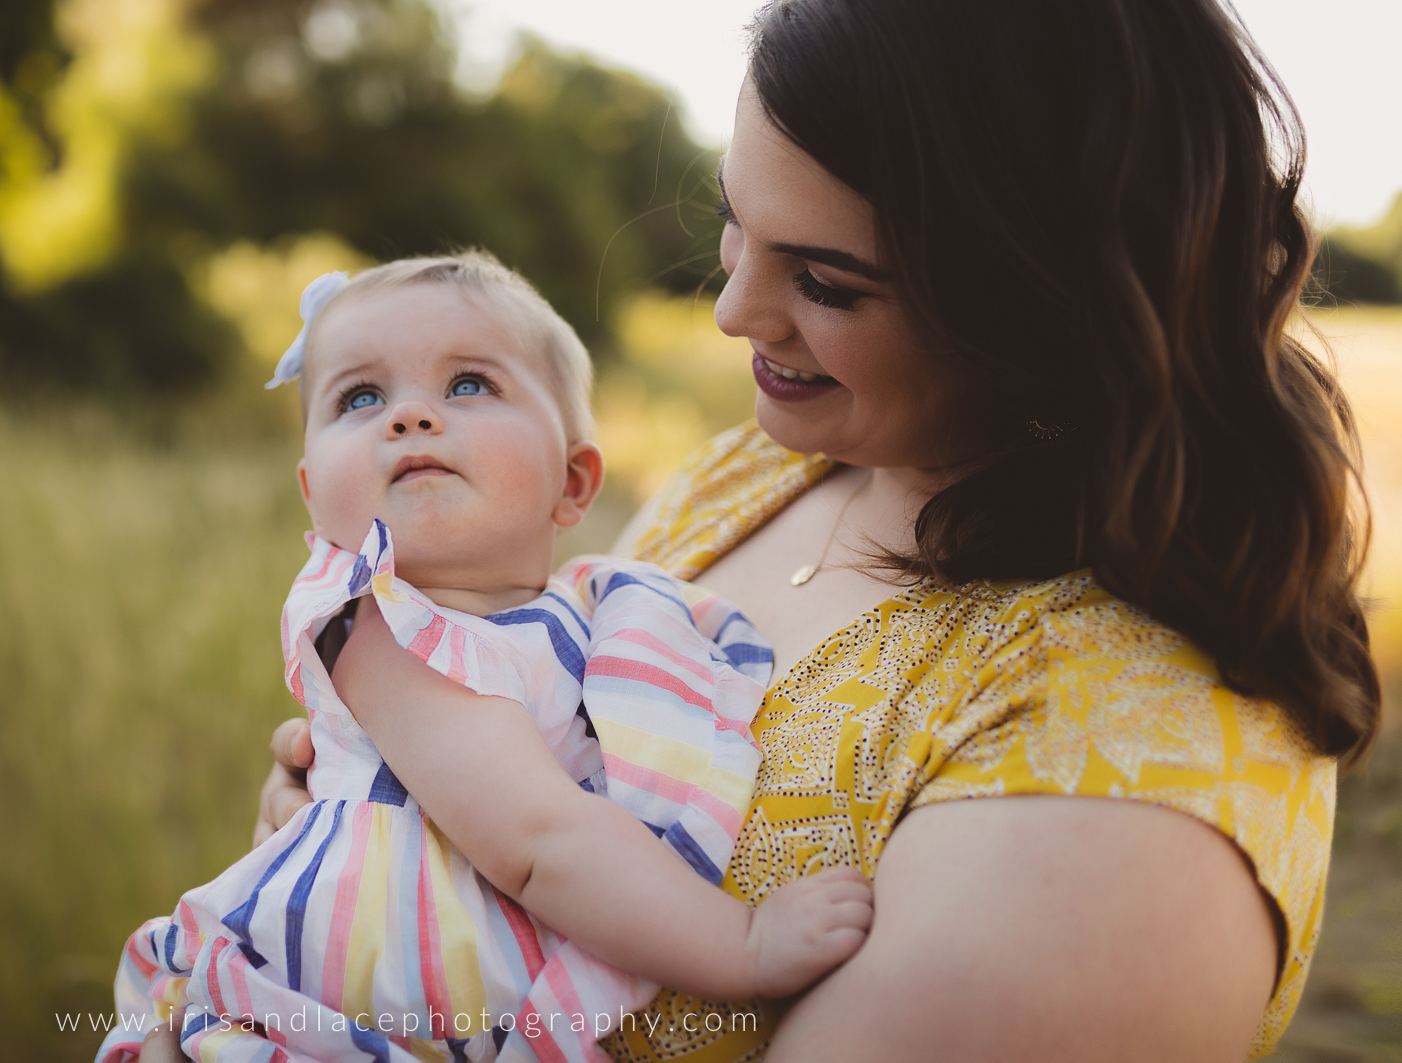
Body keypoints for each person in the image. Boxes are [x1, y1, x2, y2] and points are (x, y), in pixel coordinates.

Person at [233, 0, 1377, 1062]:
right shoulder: (755, 473)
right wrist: (351, 840)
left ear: (1043, 311)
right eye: (736, 223)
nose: (732, 310)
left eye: (825, 283)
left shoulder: (1120, 788)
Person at [98, 253, 873, 1063]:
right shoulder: (381, 623)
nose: (407, 416)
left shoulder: (598, 611)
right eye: (360, 397)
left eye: (468, 384)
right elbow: (537, 837)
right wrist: (741, 942)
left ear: (572, 482)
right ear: (312, 495)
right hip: (326, 1019)